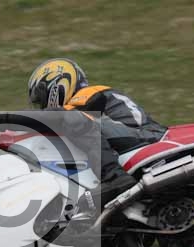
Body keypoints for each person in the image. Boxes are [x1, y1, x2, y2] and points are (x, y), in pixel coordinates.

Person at [27, 58, 167, 212]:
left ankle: (114, 177)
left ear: (57, 86)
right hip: (138, 136)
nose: (42, 107)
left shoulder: (88, 94)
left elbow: (62, 115)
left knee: (72, 118)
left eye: (41, 100)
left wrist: (14, 120)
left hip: (145, 136)